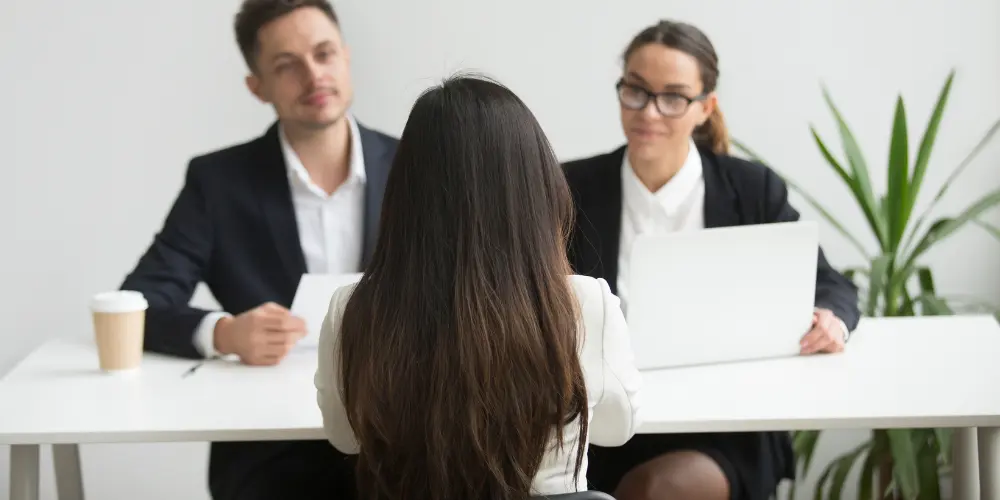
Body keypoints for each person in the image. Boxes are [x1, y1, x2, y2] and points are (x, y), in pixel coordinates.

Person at [562, 20, 861, 500]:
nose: (650, 112)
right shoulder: (573, 187)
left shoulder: (750, 189)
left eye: (674, 97)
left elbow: (830, 284)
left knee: (654, 491)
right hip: (608, 424)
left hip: (729, 425)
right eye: (636, 91)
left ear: (706, 108)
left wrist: (832, 320)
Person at [313, 75, 644, 500]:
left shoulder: (352, 309)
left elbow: (345, 438)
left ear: (405, 193)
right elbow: (618, 430)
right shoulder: (584, 304)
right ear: (536, 189)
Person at [119, 1, 397, 498]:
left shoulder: (413, 166)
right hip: (269, 449)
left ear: (346, 58)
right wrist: (223, 333)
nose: (314, 75)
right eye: (287, 65)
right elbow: (140, 301)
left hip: (400, 434)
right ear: (257, 86)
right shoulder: (217, 182)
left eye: (324, 53)